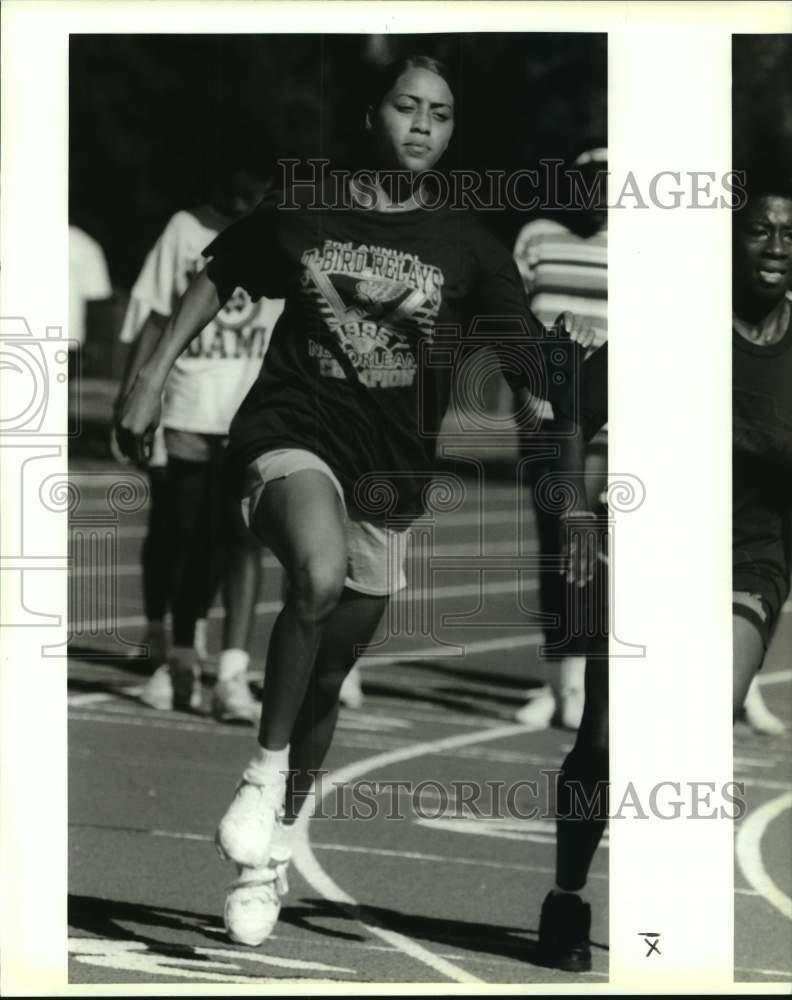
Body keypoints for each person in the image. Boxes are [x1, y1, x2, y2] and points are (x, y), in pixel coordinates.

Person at [116, 55, 592, 948]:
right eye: (406, 106)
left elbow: (528, 365)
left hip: (391, 476)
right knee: (316, 575)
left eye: (441, 114)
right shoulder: (307, 207)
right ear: (372, 115)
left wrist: (557, 382)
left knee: (329, 675)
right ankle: (260, 777)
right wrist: (150, 374)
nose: (422, 125)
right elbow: (220, 274)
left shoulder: (472, 249)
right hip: (289, 434)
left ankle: (270, 856)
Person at [116, 151, 285, 722]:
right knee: (185, 534)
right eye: (238, 179)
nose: (247, 189)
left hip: (253, 413)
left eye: (258, 180)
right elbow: (158, 314)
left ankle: (233, 672)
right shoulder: (186, 231)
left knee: (242, 539)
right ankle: (179, 654)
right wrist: (135, 391)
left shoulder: (285, 230)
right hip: (189, 408)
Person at [512, 146, 608, 731]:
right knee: (555, 545)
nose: (596, 191)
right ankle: (560, 681)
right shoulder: (538, 237)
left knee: (587, 543)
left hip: (606, 422)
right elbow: (508, 317)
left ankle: (582, 678)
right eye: (588, 179)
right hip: (543, 418)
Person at [731, 170, 792, 735]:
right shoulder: (681, 322)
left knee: (705, 710)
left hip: (751, 559)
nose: (776, 246)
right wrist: (578, 513)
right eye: (759, 229)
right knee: (604, 742)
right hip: (657, 551)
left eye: (789, 233)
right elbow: (578, 405)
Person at [69, 224, 113, 377]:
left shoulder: (84, 245)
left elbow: (97, 300)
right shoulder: (85, 244)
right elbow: (97, 302)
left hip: (67, 340)